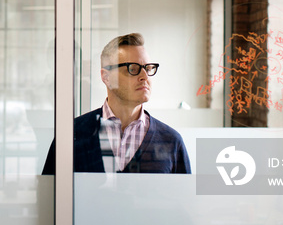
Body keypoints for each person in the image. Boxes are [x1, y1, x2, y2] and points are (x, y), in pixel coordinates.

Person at [42, 33, 190, 174]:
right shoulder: (72, 136)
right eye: (133, 69)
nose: (145, 76)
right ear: (106, 77)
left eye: (148, 68)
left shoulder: (171, 142)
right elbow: (48, 197)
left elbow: (183, 199)